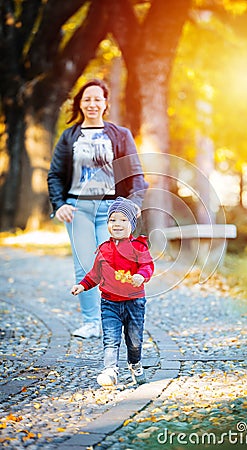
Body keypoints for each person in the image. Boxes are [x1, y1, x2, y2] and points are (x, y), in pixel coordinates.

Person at [47, 79, 148, 339]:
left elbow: (136, 174)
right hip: (77, 209)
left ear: (105, 103)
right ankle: (92, 322)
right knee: (84, 267)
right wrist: (59, 205)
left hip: (112, 209)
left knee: (112, 263)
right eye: (87, 99)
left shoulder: (120, 135)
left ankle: (116, 318)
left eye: (97, 99)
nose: (92, 104)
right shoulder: (69, 135)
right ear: (80, 104)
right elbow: (55, 174)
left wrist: (133, 204)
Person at [71, 197, 154, 387]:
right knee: (111, 338)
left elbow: (147, 265)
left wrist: (142, 275)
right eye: (112, 220)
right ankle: (110, 371)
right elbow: (94, 274)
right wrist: (82, 285)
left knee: (134, 341)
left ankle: (135, 364)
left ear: (132, 225)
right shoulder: (103, 249)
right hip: (109, 302)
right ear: (107, 224)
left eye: (123, 220)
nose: (117, 224)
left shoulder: (138, 246)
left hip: (134, 302)